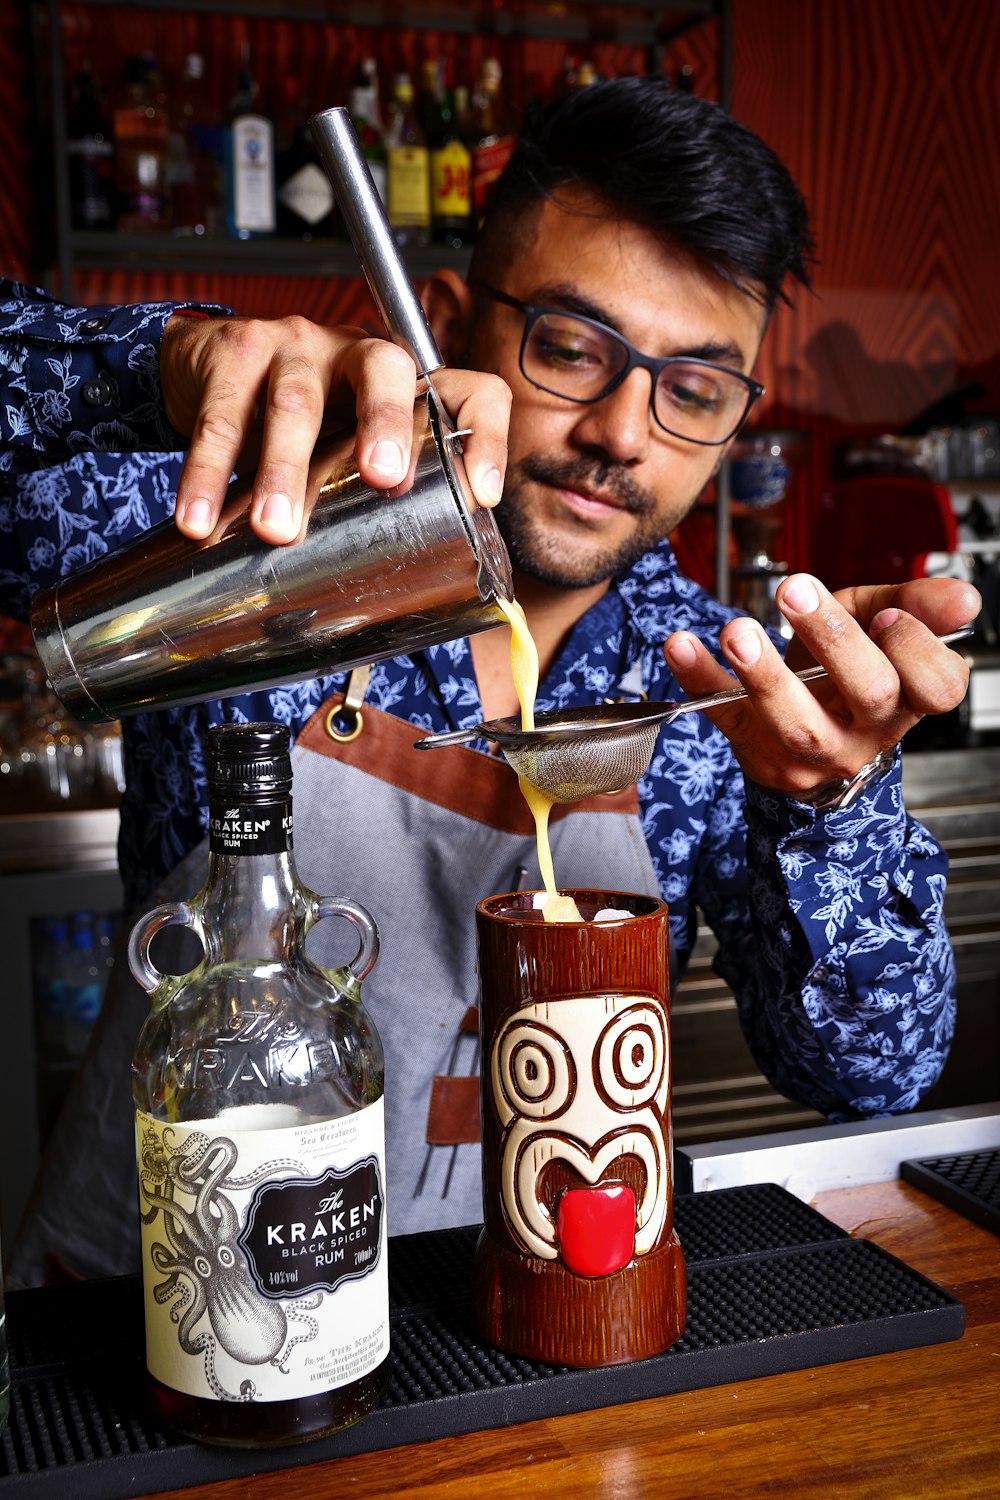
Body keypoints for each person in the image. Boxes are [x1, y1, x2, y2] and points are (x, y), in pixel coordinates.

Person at [1, 78, 978, 1286]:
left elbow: (869, 1076)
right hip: (175, 1324)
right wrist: (156, 369)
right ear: (449, 322)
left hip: (540, 1346)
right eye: (570, 348)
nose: (625, 433)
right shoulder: (263, 537)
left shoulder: (718, 679)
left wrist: (835, 804)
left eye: (695, 389)